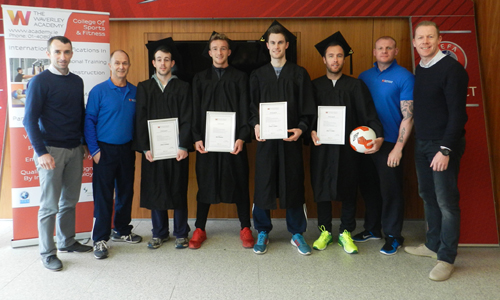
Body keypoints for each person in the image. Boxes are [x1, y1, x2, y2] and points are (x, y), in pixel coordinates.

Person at [404, 21, 468, 281]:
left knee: (447, 203)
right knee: (427, 195)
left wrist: (445, 149)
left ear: (440, 39)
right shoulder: (420, 68)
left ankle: (446, 257)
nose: (425, 42)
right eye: (420, 38)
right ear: (414, 42)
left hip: (442, 146)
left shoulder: (452, 70)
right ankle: (432, 245)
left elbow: (458, 115)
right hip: (422, 143)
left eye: (430, 37)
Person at [309, 32, 383, 255]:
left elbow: (368, 115)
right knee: (322, 188)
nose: (335, 60)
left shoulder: (355, 86)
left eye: (339, 56)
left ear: (344, 59)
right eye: (330, 56)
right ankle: (325, 231)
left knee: (349, 188)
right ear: (324, 59)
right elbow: (307, 117)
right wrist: (310, 131)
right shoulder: (314, 86)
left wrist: (377, 134)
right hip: (322, 148)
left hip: (347, 150)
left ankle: (345, 232)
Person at [23, 36, 92, 271]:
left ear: (72, 54)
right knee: (49, 206)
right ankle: (47, 252)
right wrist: (41, 152)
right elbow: (29, 119)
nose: (63, 56)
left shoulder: (76, 81)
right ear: (48, 53)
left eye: (67, 52)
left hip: (74, 150)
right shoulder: (39, 82)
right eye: (58, 52)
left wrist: (83, 144)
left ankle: (67, 241)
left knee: (69, 201)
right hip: (50, 151)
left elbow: (79, 114)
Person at [248, 22, 315, 256]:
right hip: (266, 142)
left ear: (287, 45)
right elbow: (251, 108)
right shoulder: (257, 76)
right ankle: (263, 231)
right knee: (264, 183)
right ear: (267, 46)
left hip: (290, 141)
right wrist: (255, 125)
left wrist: (301, 129)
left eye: (280, 42)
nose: (276, 46)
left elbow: (308, 108)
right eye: (272, 42)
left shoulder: (299, 74)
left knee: (293, 182)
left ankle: (297, 233)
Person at [190, 32, 254, 249]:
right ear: (209, 53)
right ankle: (200, 228)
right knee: (205, 182)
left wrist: (242, 137)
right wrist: (196, 138)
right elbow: (195, 111)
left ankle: (245, 227)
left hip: (233, 142)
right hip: (207, 143)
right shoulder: (199, 78)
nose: (219, 52)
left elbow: (246, 109)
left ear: (229, 52)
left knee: (240, 181)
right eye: (215, 48)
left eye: (223, 48)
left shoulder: (240, 77)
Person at [354, 36, 414, 255]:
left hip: (390, 143)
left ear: (396, 51)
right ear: (374, 51)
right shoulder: (364, 77)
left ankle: (393, 235)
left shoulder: (405, 77)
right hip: (366, 142)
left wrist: (398, 148)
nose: (384, 51)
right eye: (380, 48)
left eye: (389, 48)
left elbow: (408, 117)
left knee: (391, 191)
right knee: (369, 189)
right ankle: (372, 229)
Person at [84, 50, 141, 260]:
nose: (121, 67)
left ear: (129, 65)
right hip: (103, 151)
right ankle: (100, 238)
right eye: (117, 63)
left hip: (126, 149)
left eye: (125, 63)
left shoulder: (135, 91)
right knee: (104, 196)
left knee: (126, 192)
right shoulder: (98, 91)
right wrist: (94, 150)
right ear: (110, 65)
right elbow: (89, 121)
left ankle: (122, 230)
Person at [134, 45, 192, 250]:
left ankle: (181, 233)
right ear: (153, 63)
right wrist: (145, 148)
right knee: (155, 188)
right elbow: (140, 120)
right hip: (153, 150)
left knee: (178, 189)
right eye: (159, 59)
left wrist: (184, 145)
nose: (163, 63)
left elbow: (187, 118)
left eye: (167, 59)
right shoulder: (144, 87)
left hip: (177, 149)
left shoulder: (183, 87)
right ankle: (158, 233)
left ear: (172, 63)